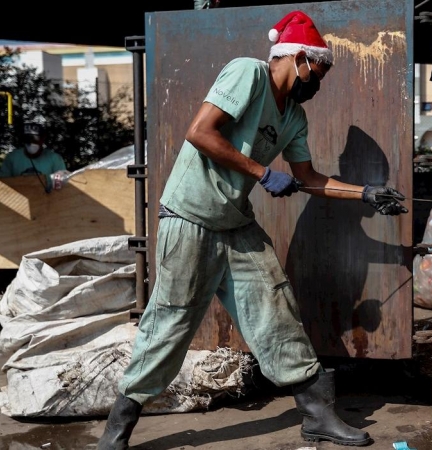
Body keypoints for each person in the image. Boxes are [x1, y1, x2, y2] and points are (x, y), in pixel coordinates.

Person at [97, 10, 407, 450]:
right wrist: (262, 173)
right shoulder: (248, 73)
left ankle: (317, 415)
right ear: (298, 57)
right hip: (189, 216)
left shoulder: (295, 117)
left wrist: (365, 193)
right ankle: (118, 428)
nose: (318, 82)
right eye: (318, 71)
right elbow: (199, 132)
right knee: (170, 322)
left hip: (236, 222)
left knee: (276, 310)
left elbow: (310, 178)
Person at [0, 122, 68, 192]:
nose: (31, 142)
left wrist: (61, 176)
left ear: (42, 139)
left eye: (35, 139)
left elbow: (63, 185)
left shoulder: (55, 159)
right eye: (28, 139)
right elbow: (3, 185)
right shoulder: (12, 158)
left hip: (48, 201)